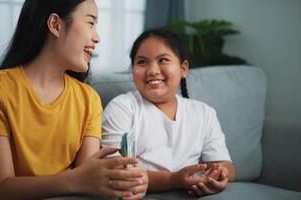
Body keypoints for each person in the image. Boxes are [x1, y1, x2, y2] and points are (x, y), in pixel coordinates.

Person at [0, 1, 148, 199]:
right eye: (91, 23)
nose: (97, 37)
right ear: (55, 24)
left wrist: (135, 181)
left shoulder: (89, 99)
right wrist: (75, 180)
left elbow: (89, 181)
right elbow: (0, 189)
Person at [101, 28, 236, 197]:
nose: (152, 70)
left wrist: (218, 176)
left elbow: (226, 166)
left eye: (163, 59)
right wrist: (173, 180)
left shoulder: (204, 113)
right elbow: (112, 173)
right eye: (142, 62)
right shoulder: (122, 107)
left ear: (183, 69)